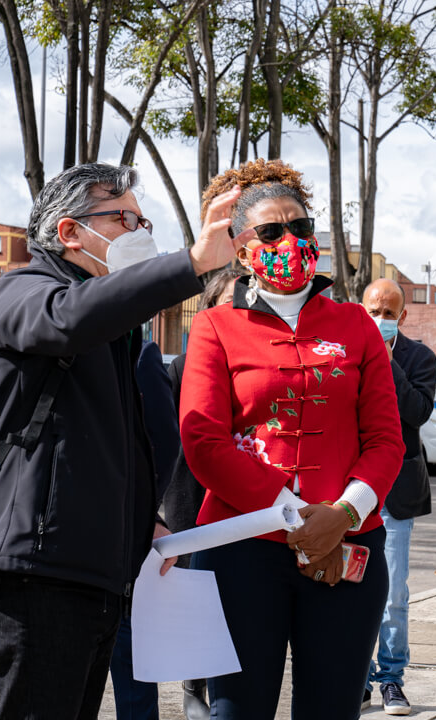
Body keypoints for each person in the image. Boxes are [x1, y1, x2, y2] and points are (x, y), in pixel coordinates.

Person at [0, 162, 247, 719]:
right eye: (124, 219)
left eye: (144, 221)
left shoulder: (112, 331)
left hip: (91, 578)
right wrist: (187, 265)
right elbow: (67, 320)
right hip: (33, 576)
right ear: (69, 232)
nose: (140, 235)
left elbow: (112, 452)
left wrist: (147, 522)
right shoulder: (22, 291)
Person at [179, 158, 405, 720]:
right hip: (241, 548)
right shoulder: (213, 326)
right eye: (272, 232)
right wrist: (295, 519)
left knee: (332, 708)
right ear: (241, 248)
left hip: (346, 548)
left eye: (300, 228)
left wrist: (342, 516)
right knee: (236, 710)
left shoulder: (357, 326)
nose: (291, 240)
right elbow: (203, 439)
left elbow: (385, 440)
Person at [163, 267, 243, 720]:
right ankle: (195, 685)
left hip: (247, 500)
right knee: (198, 592)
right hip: (191, 497)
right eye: (229, 300)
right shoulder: (180, 366)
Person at [360, 278, 436, 716]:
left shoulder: (419, 359)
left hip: (395, 495)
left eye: (389, 313)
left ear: (402, 317)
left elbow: (417, 412)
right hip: (352, 491)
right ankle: (359, 675)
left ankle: (391, 679)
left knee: (392, 592)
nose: (380, 319)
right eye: (374, 310)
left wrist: (385, 361)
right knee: (347, 588)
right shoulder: (345, 351)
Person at [110, 339, 182, 720]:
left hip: (120, 546)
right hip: (54, 553)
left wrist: (146, 514)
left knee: (132, 672)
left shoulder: (136, 350)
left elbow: (165, 442)